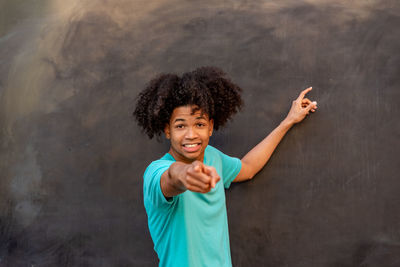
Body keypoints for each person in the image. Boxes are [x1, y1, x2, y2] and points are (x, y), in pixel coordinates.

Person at [133, 66, 317, 267]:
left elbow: (248, 167)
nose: (191, 134)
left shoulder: (214, 158)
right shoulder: (156, 172)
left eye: (199, 124)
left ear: (210, 127)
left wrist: (288, 121)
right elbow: (171, 177)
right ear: (167, 130)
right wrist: (187, 173)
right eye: (180, 126)